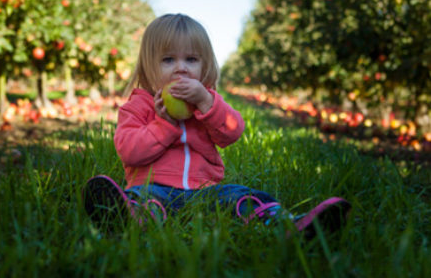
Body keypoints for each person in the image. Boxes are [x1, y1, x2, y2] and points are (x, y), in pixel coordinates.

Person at [83, 13, 350, 238]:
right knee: (142, 199)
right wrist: (164, 125)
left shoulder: (207, 103)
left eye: (191, 60)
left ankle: (288, 224)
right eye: (168, 60)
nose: (181, 69)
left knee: (241, 196)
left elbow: (233, 132)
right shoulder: (137, 107)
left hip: (204, 191)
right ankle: (128, 217)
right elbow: (129, 152)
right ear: (147, 66)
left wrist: (207, 103)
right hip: (153, 187)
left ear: (205, 65)